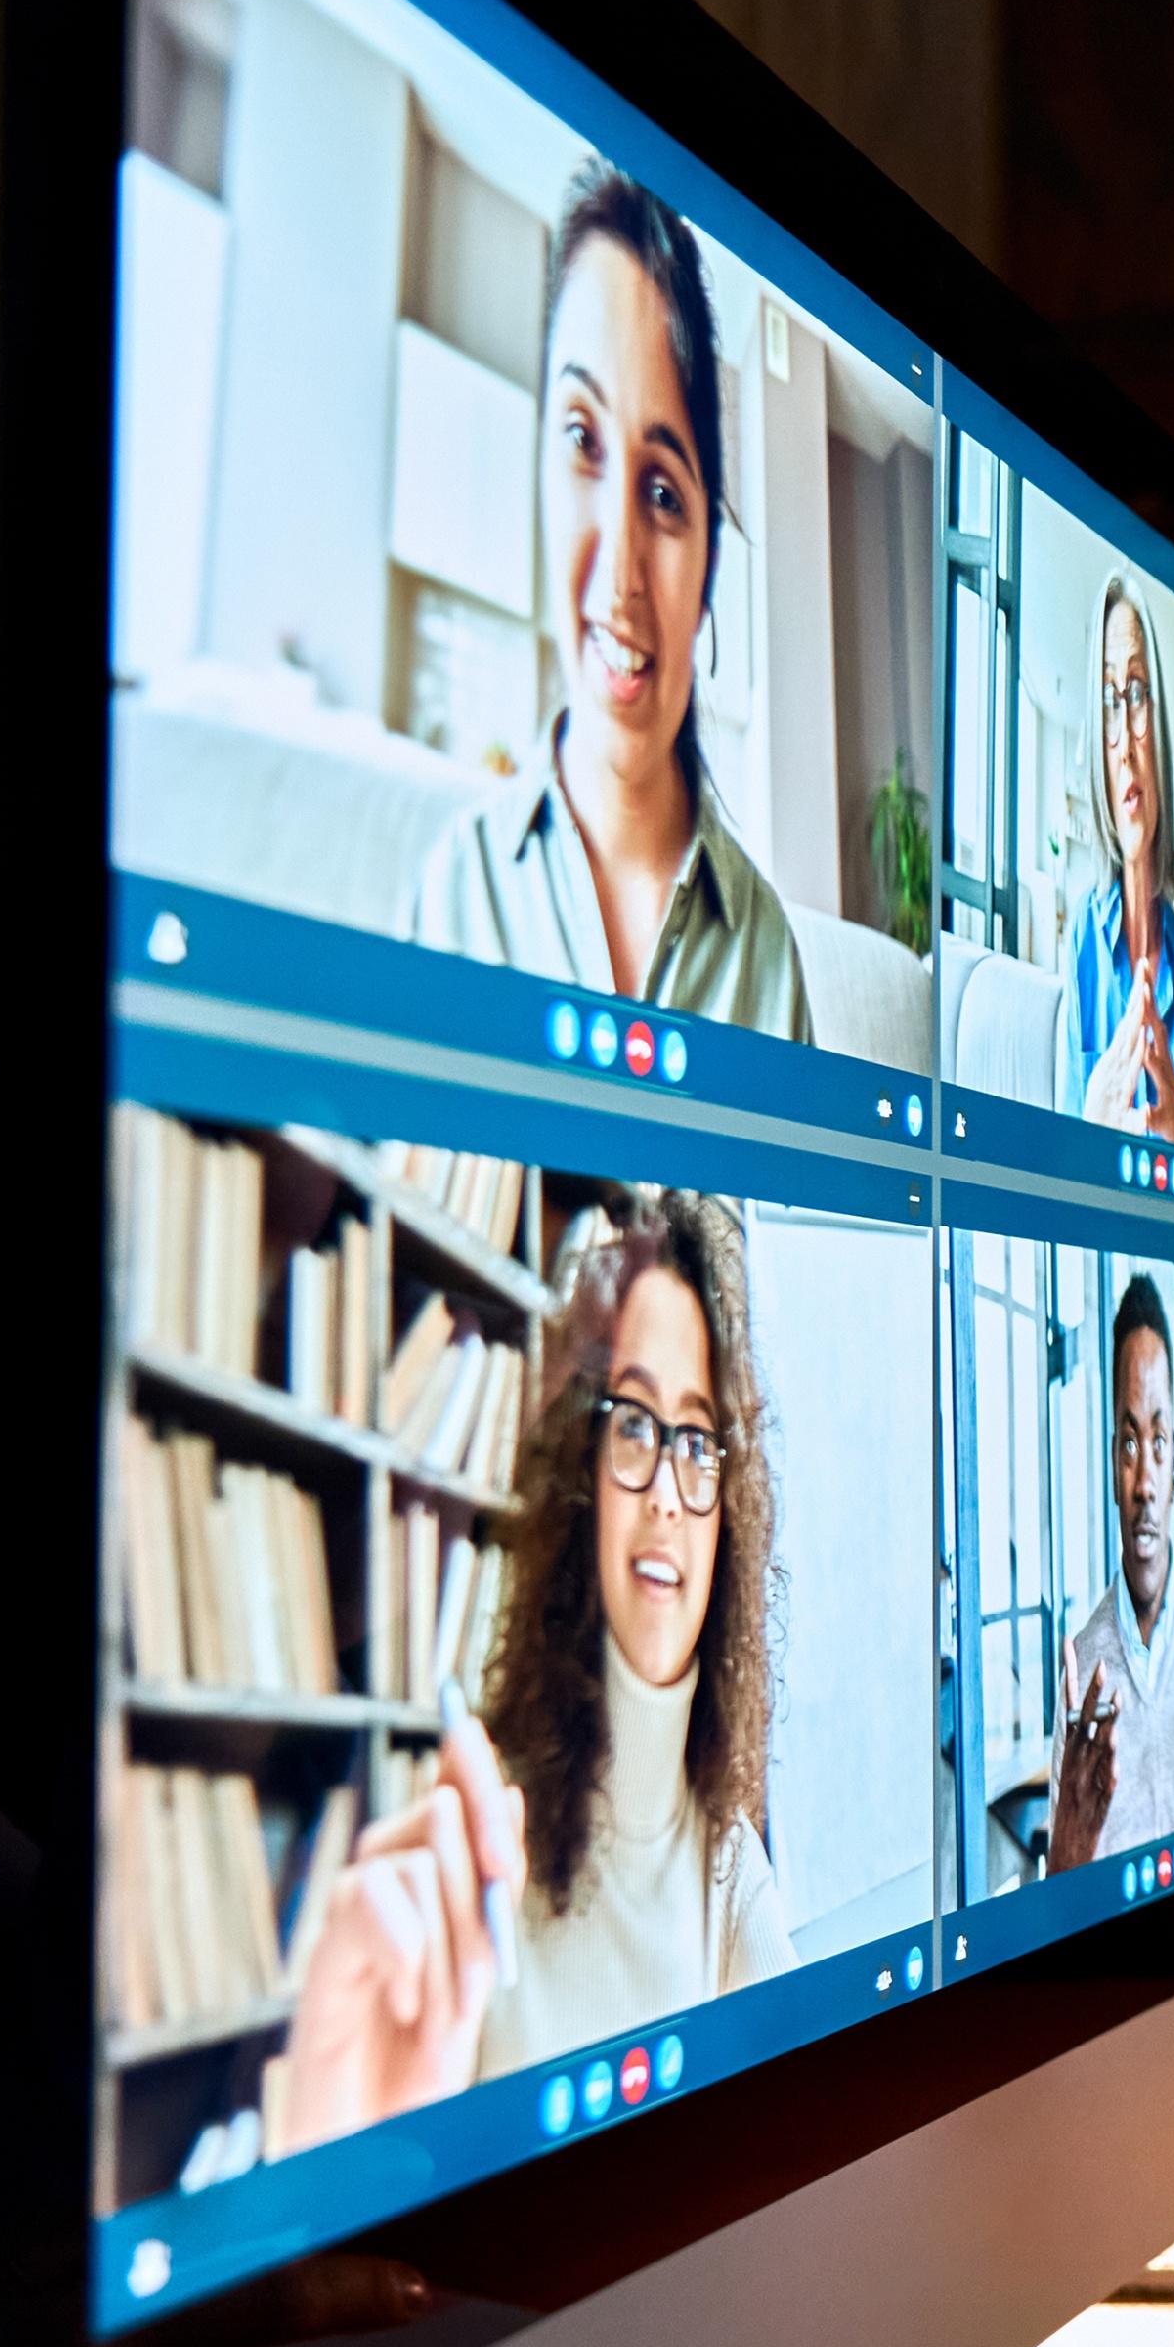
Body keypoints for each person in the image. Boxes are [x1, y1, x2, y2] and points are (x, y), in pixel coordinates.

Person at [275, 1193, 795, 2143]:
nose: (669, 1497)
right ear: (581, 1470)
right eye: (634, 1425)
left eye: (698, 1438)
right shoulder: (473, 1832)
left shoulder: (731, 1872)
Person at [399, 160, 814, 1044]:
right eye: (584, 440)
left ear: (708, 569)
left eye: (664, 493)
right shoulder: (456, 890)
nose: (621, 573)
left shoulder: (767, 960)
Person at [1045, 1272, 1174, 1872]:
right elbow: (1059, 1885)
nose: (1145, 1483)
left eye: (1159, 1442)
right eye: (1129, 1445)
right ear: (1111, 1468)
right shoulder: (1084, 1663)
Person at [1068, 570, 1174, 1147]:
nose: (1125, 740)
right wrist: (1093, 1123)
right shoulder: (1082, 935)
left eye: (1136, 693)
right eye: (1107, 701)